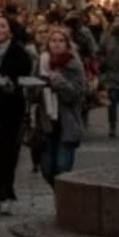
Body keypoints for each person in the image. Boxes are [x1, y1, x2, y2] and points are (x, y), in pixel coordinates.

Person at [0, 14, 32, 213]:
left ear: (10, 32)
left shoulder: (19, 53)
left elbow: (25, 76)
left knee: (8, 153)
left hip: (11, 108)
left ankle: (5, 191)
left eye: (2, 26)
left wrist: (10, 83)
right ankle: (1, 191)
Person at [33, 26, 86, 186]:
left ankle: (63, 203)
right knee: (47, 169)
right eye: (53, 41)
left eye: (61, 41)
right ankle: (61, 197)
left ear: (67, 44)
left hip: (67, 123)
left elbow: (75, 95)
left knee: (63, 168)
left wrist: (58, 81)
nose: (57, 44)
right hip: (46, 125)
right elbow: (32, 95)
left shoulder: (74, 65)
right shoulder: (41, 63)